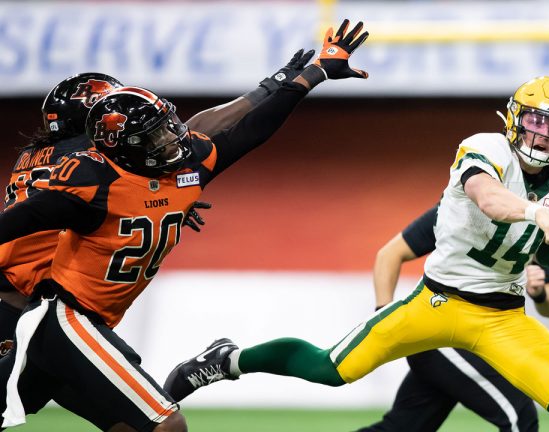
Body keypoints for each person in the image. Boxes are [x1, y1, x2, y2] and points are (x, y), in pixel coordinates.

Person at [164, 76, 549, 432]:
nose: (543, 136)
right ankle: (229, 359)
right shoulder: (484, 148)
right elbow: (488, 198)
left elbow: (539, 247)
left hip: (504, 317)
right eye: (536, 122)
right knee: (332, 368)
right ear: (515, 118)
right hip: (438, 302)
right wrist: (537, 212)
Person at [0, 19, 368, 431]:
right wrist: (280, 82)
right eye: (154, 134)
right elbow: (45, 213)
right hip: (44, 309)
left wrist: (309, 76)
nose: (173, 138)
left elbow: (245, 133)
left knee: (131, 423)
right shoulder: (90, 178)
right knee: (162, 421)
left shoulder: (155, 169)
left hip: (60, 308)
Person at [359, 204, 549, 432]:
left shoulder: (538, 222)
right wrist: (386, 321)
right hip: (440, 333)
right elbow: (389, 254)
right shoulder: (461, 206)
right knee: (520, 415)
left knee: (402, 428)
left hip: (481, 342)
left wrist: (540, 293)